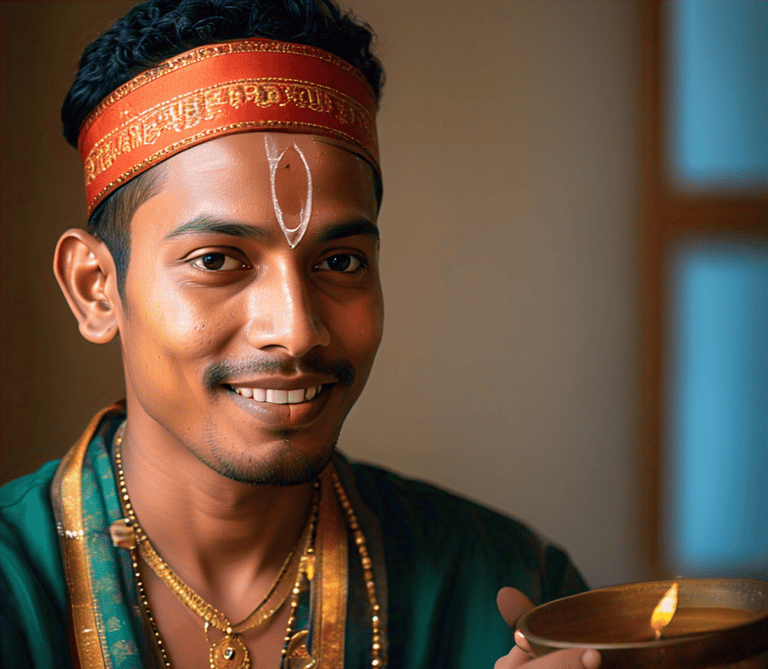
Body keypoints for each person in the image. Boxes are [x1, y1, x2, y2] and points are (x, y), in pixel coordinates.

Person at [0, 1, 599, 667]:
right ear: (95, 287)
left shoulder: (505, 590)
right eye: (218, 261)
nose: (296, 329)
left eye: (339, 263)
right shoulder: (15, 587)